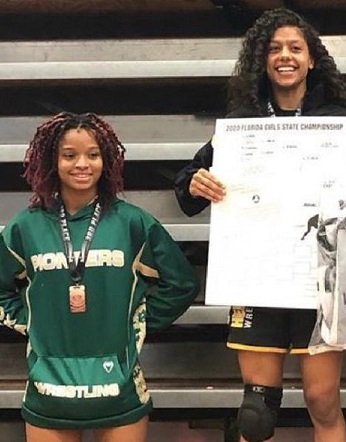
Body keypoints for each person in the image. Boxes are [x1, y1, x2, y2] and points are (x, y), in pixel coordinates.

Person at [174, 8, 346, 442]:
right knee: (256, 413)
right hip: (257, 280)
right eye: (274, 49)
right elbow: (187, 189)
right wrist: (198, 183)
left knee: (322, 400)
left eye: (296, 48)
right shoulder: (241, 127)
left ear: (312, 59)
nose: (285, 56)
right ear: (262, 60)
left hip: (321, 284)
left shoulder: (340, 125)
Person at [0, 112, 200, 442]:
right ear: (52, 160)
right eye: (69, 155)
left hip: (118, 387)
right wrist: (30, 320)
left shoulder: (132, 222)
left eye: (93, 154)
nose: (82, 164)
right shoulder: (26, 226)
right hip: (49, 387)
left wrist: (138, 320)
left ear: (106, 161)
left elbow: (181, 283)